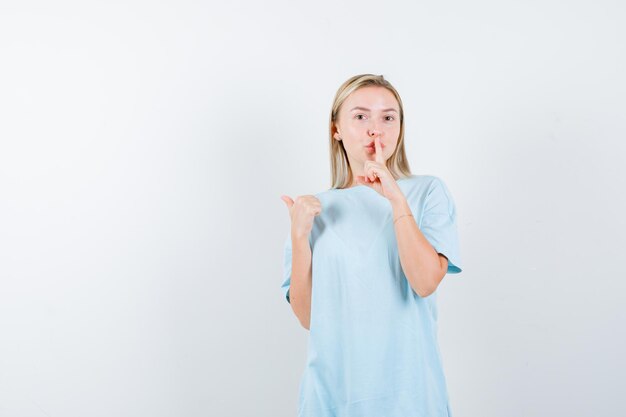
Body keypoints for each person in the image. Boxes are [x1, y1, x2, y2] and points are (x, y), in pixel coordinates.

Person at [279, 74, 463, 417]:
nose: (375, 129)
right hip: (332, 399)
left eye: (388, 117)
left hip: (410, 399)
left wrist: (395, 198)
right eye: (361, 116)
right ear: (336, 128)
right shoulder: (311, 209)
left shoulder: (427, 193)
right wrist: (299, 238)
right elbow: (309, 318)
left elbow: (425, 282)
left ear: (400, 128)